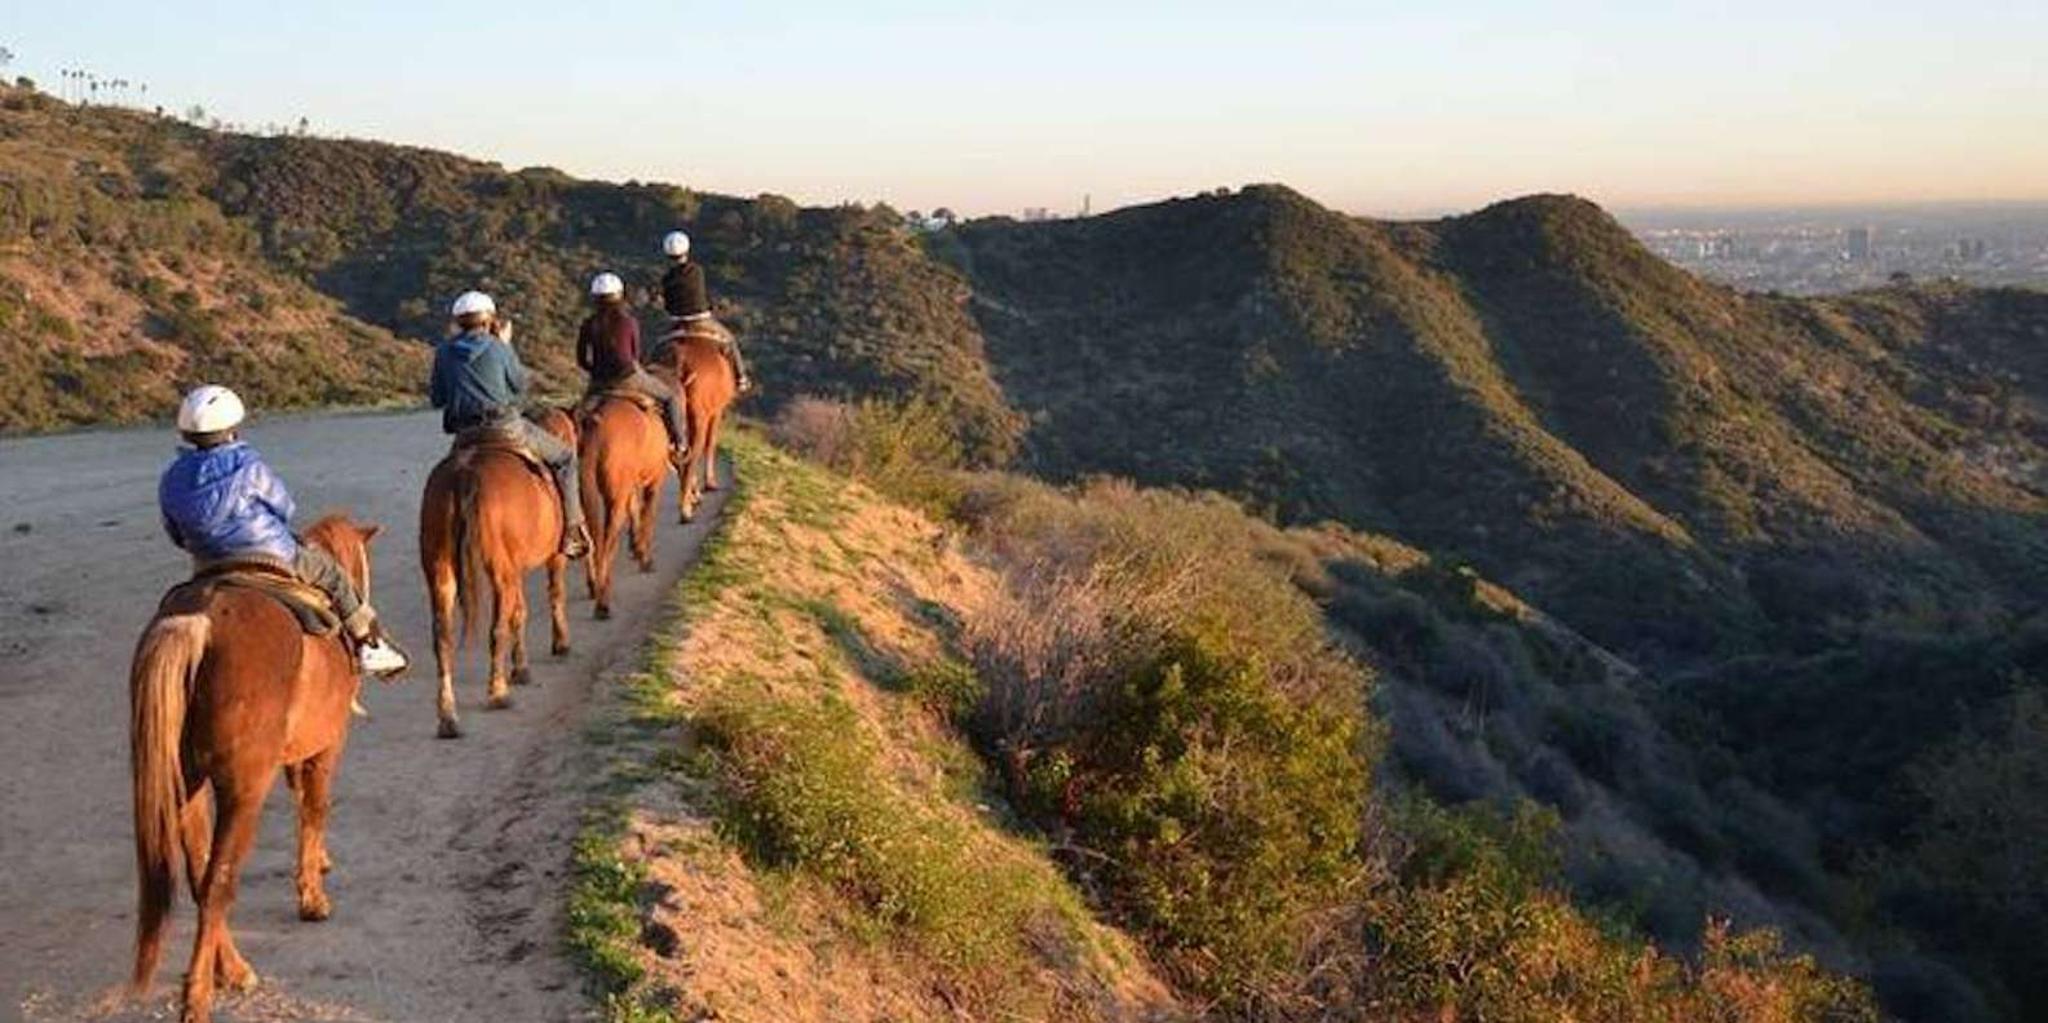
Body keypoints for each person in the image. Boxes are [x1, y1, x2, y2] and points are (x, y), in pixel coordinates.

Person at [159, 385, 409, 677]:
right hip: (270, 552)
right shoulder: (249, 465)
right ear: (232, 428)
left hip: (207, 562)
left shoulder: (172, 475)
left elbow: (174, 531)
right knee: (333, 576)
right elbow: (283, 508)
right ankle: (369, 646)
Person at [428, 290, 591, 559]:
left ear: (458, 322)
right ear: (489, 319)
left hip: (466, 434)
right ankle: (573, 529)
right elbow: (519, 387)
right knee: (566, 458)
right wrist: (505, 345)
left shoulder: (443, 352)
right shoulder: (498, 347)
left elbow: (437, 399)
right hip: (505, 427)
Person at [577, 272, 688, 465]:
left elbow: (581, 358)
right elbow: (635, 353)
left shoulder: (588, 324)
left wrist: (594, 370)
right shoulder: (628, 321)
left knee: (578, 416)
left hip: (599, 383)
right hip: (628, 376)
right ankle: (680, 443)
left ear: (595, 297)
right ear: (619, 295)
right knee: (670, 397)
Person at [658, 230, 754, 393]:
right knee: (730, 340)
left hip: (677, 322)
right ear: (687, 250)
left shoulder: (666, 278)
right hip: (700, 320)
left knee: (657, 346)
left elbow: (668, 304)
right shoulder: (697, 271)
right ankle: (741, 378)